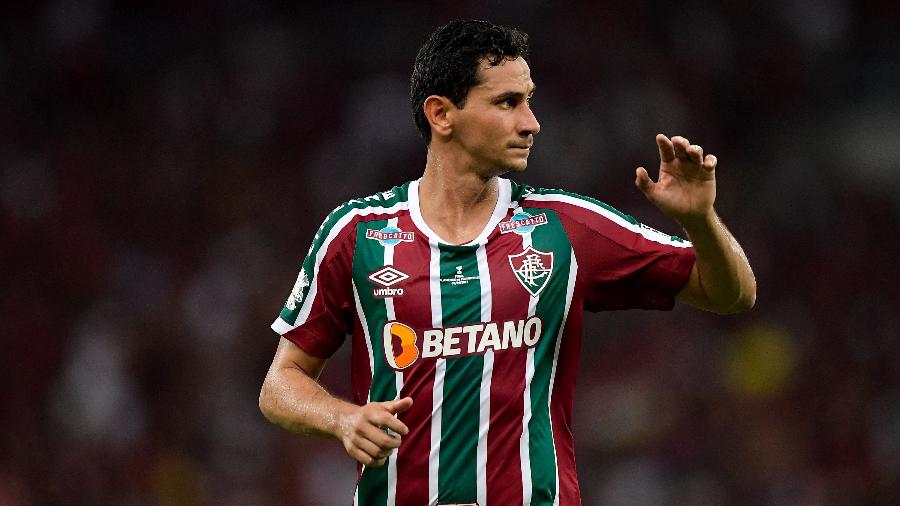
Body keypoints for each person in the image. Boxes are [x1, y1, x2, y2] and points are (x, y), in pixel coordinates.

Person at [259, 18, 755, 506]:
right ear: (441, 115)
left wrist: (702, 221)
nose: (531, 122)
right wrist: (343, 419)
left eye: (529, 101)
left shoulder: (564, 227)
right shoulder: (358, 233)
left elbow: (731, 294)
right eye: (507, 102)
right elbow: (280, 384)